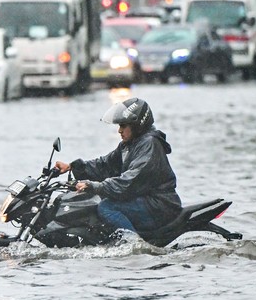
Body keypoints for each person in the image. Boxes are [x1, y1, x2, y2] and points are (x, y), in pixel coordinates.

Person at [53, 98, 182, 235]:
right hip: (144, 199)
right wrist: (72, 167)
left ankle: (132, 246)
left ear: (137, 125)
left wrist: (95, 186)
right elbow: (105, 165)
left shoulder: (149, 144)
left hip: (159, 205)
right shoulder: (129, 144)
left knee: (107, 207)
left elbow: (130, 180)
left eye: (123, 126)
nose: (119, 131)